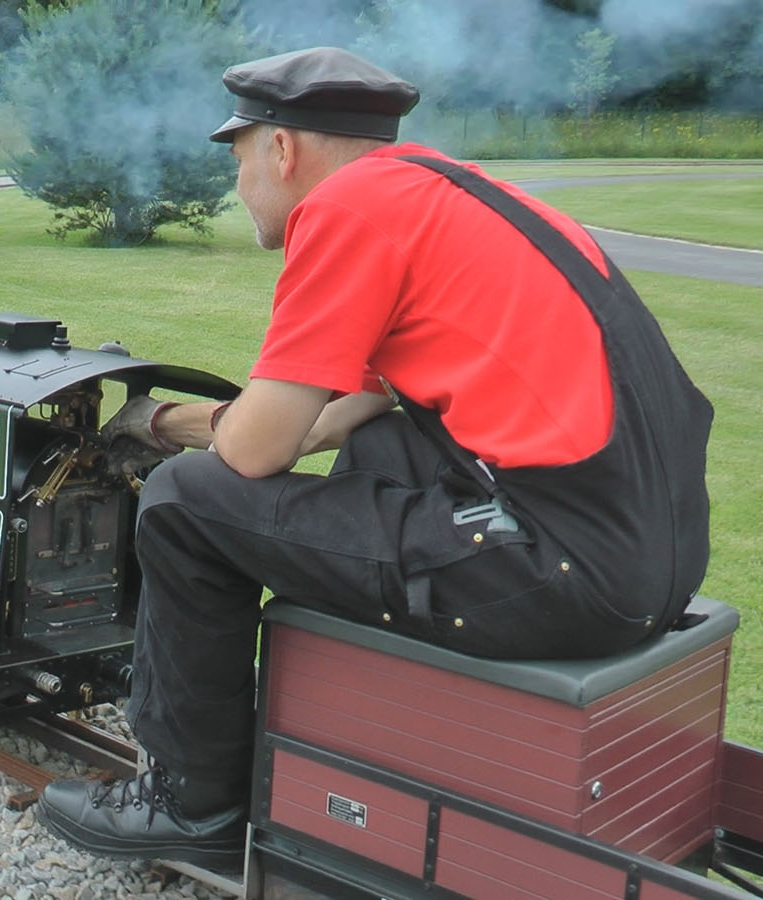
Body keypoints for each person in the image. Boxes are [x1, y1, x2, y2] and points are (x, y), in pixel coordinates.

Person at [35, 46, 712, 874]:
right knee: (379, 439)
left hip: (564, 567)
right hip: (644, 553)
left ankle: (193, 800)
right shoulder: (443, 192)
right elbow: (347, 410)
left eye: (239, 159)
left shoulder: (347, 208)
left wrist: (158, 420)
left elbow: (253, 451)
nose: (239, 185)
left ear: (280, 149)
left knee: (181, 502)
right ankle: (338, 715)